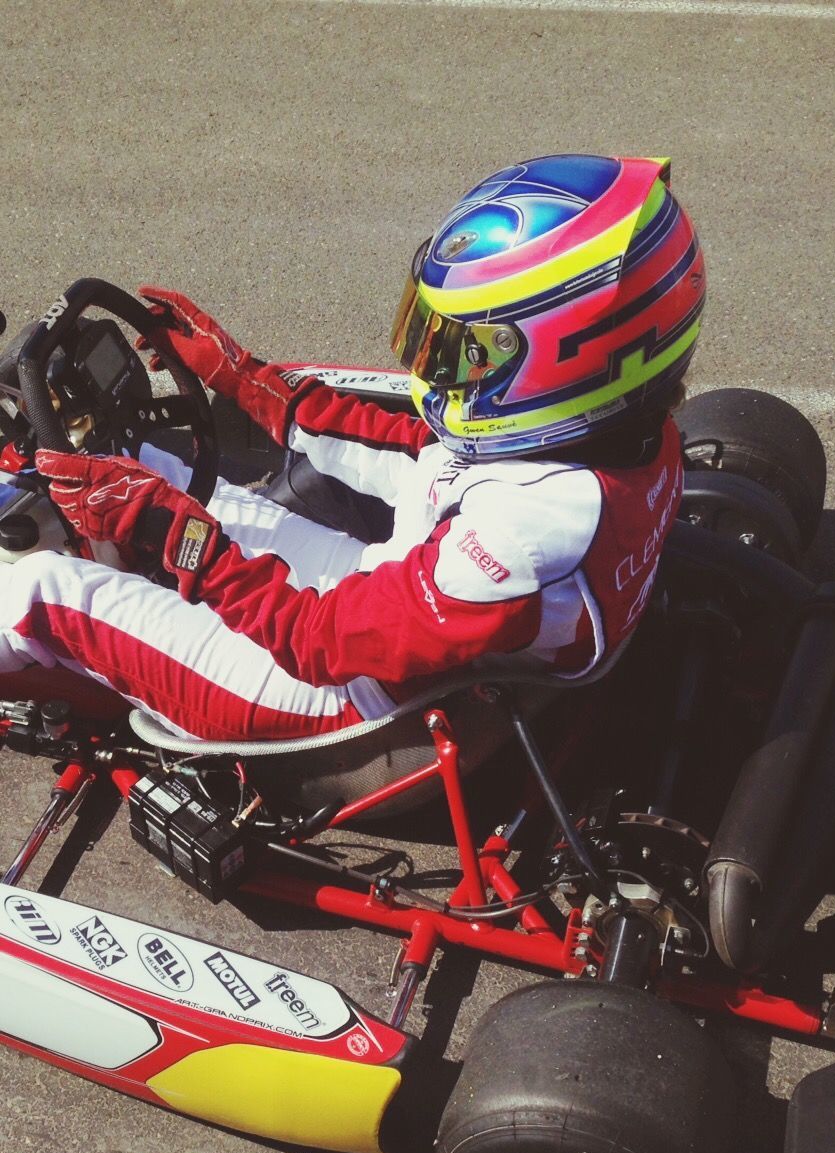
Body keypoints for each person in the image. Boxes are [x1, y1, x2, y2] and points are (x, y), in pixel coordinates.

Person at [0, 154, 705, 742]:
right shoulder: (624, 438)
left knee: (41, 593)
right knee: (155, 468)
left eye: (466, 349)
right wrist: (245, 380)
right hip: (383, 600)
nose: (435, 366)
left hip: (329, 698)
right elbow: (422, 461)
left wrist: (169, 532)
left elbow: (314, 640)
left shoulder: (524, 540)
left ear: (566, 356)